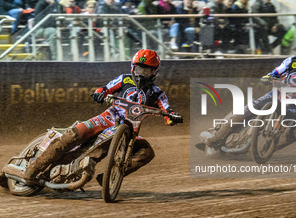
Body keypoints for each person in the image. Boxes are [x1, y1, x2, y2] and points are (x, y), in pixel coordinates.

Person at [4, 49, 182, 182]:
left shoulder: (157, 93)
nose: (141, 74)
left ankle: (108, 177)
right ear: (133, 68)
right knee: (73, 135)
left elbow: (167, 110)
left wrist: (171, 117)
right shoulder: (124, 79)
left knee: (146, 152)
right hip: (108, 117)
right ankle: (31, 170)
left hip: (130, 129)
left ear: (154, 72)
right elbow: (105, 89)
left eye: (147, 71)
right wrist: (100, 93)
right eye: (139, 69)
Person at [202, 40, 296, 152]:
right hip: (276, 95)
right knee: (248, 110)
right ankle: (215, 139)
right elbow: (279, 70)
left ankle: (270, 148)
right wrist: (270, 76)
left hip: (293, 107)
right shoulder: (292, 61)